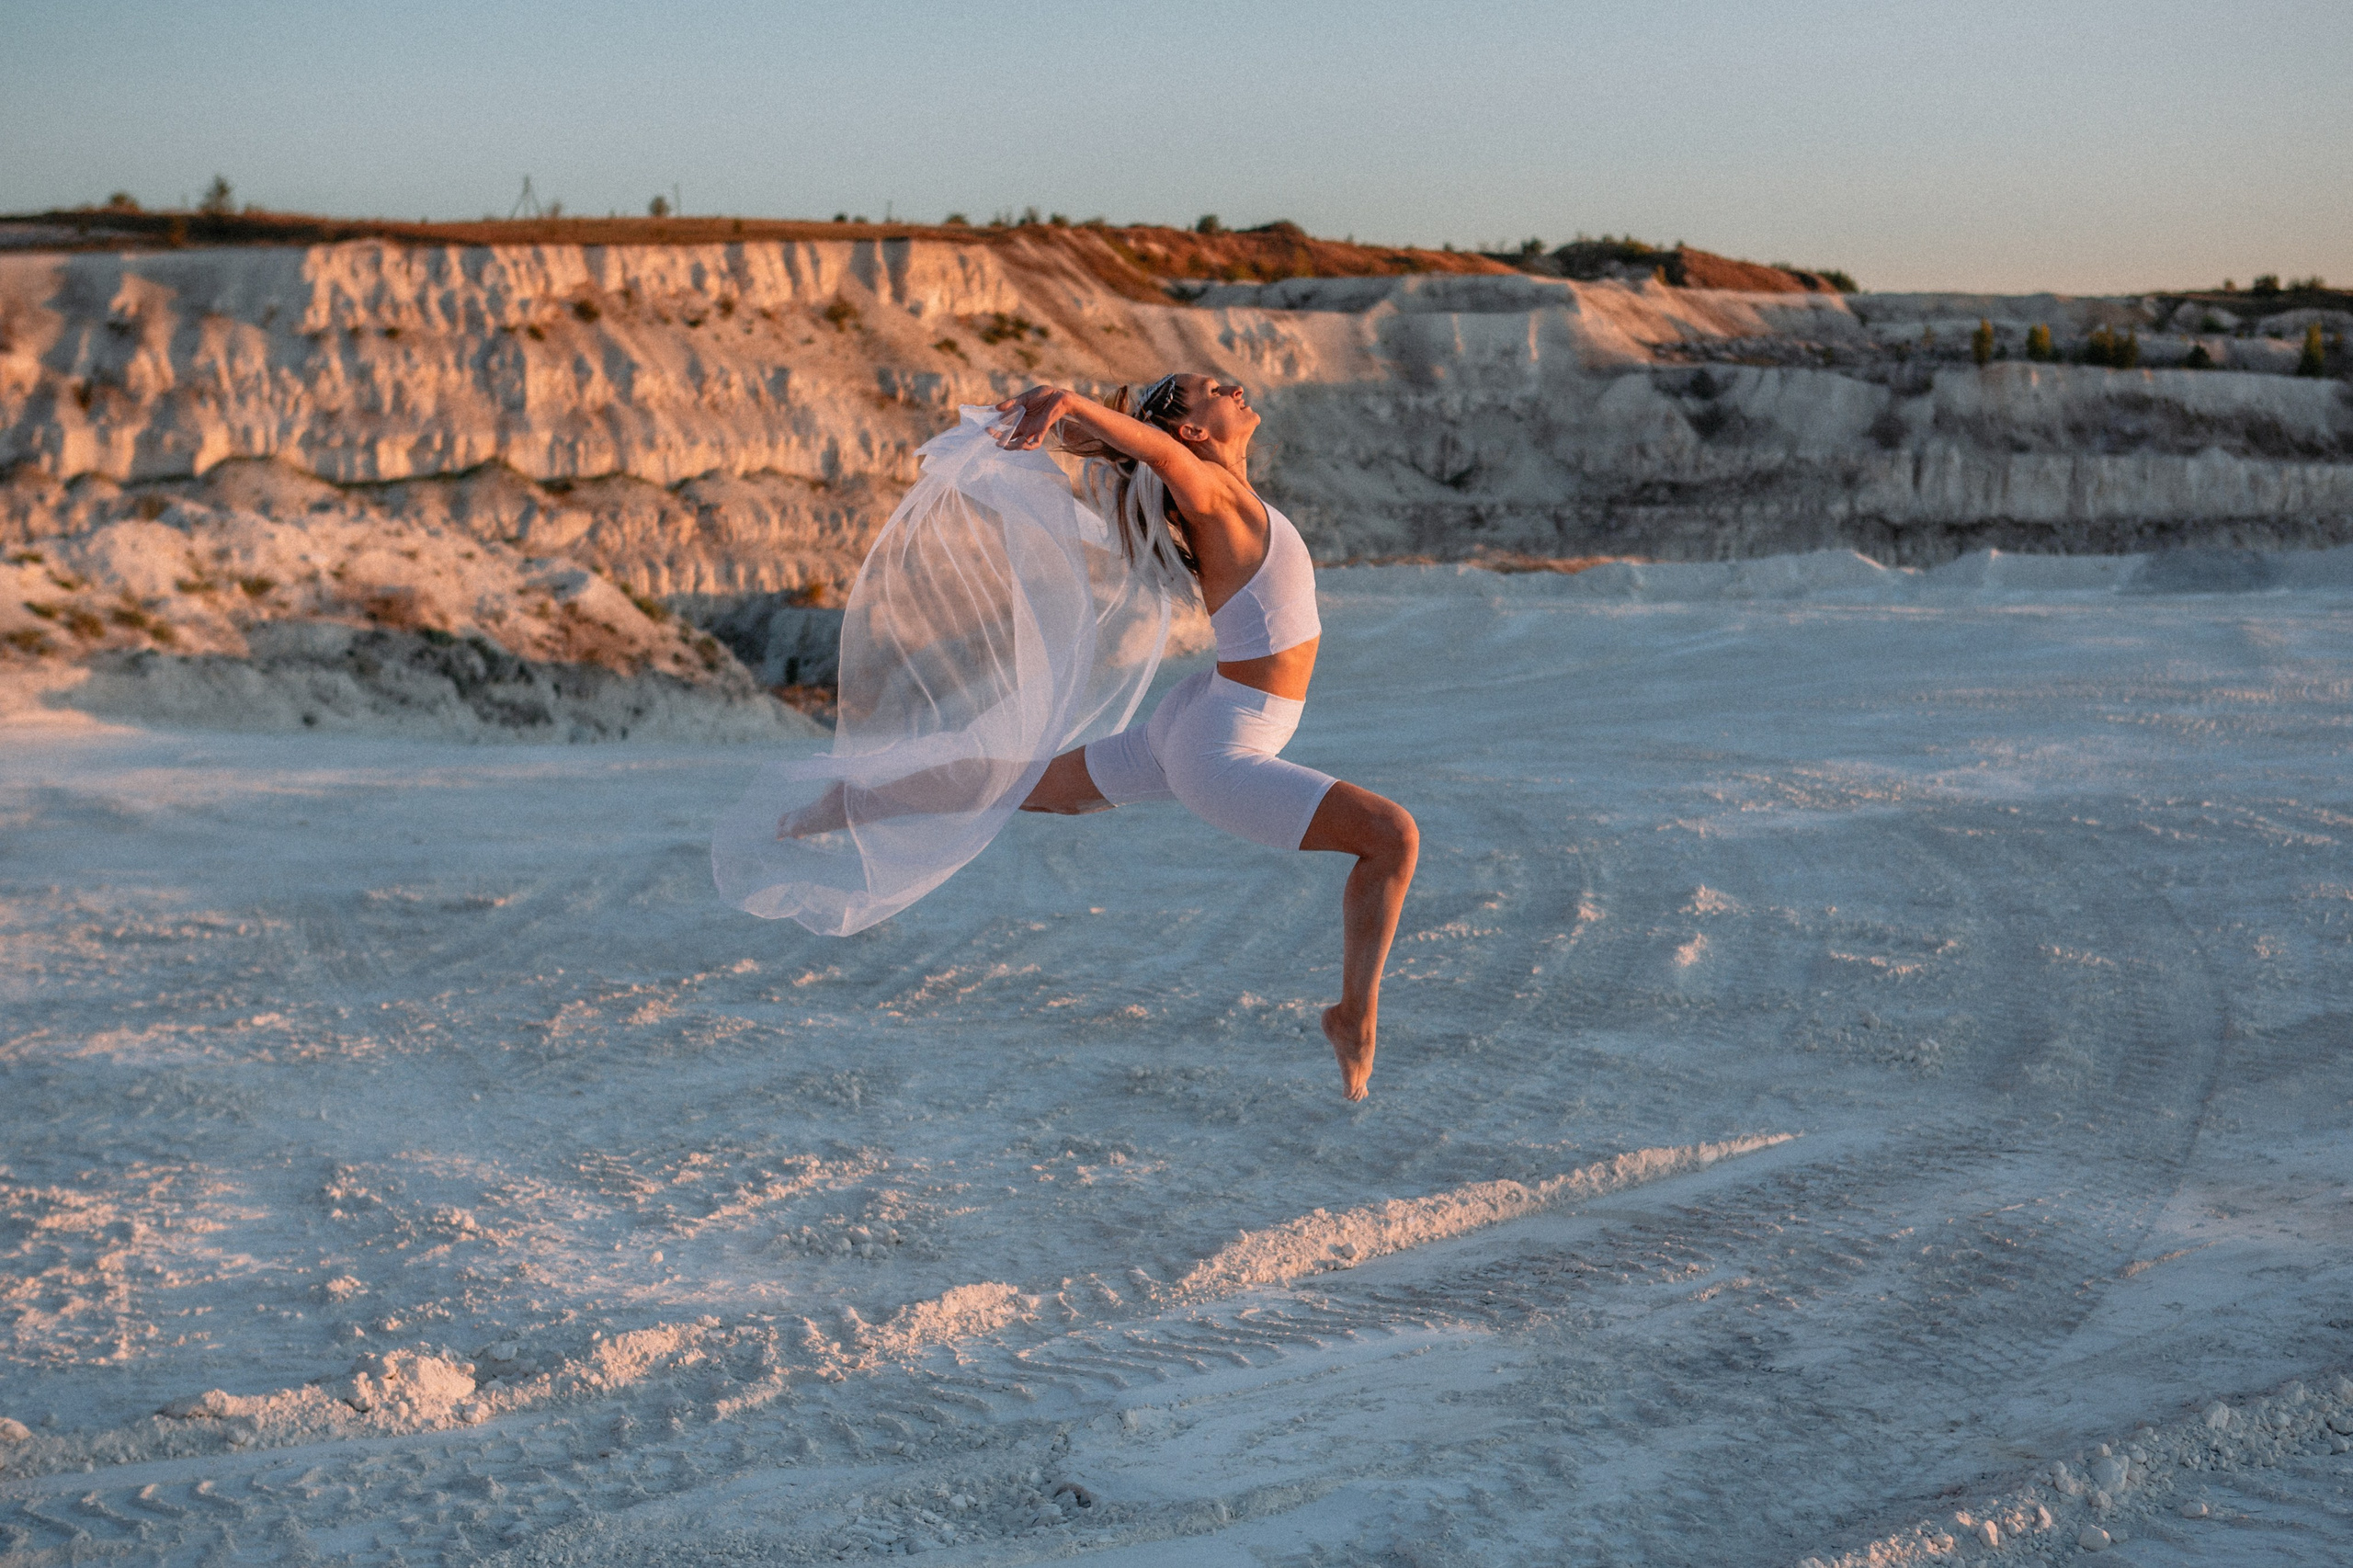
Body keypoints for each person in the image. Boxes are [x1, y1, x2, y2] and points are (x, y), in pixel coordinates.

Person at [989, 373, 1420, 1101]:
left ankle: (857, 800)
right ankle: (1354, 1017)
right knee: (1391, 837)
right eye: (1212, 388)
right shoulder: (1212, 494)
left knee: (1028, 789)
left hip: (1199, 715)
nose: (1235, 385)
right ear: (1194, 430)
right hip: (1220, 744)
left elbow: (1147, 453)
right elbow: (1157, 456)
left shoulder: (1229, 497)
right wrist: (1069, 405)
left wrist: (1075, 419)